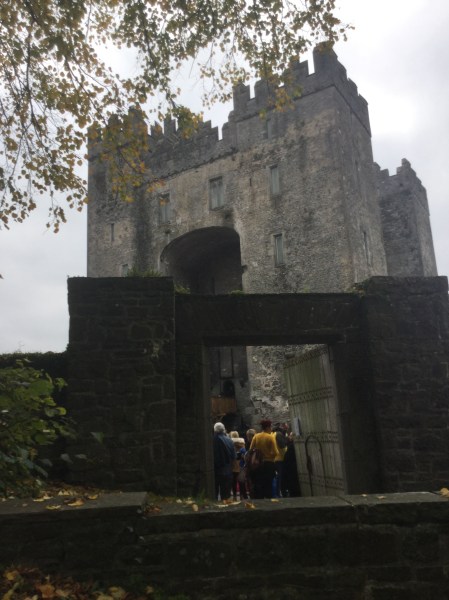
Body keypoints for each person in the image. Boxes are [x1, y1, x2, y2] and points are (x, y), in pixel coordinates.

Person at [249, 419, 277, 499]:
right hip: (269, 464)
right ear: (268, 427)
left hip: (258, 464)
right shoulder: (270, 437)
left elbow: (251, 450)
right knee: (268, 485)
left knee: (259, 484)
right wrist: (269, 455)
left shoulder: (256, 436)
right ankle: (268, 502)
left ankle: (259, 501)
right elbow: (275, 452)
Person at [213, 422, 236, 503]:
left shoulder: (212, 440)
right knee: (226, 496)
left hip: (215, 471)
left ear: (215, 431)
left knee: (213, 496)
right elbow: (234, 458)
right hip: (227, 471)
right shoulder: (229, 440)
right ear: (223, 430)